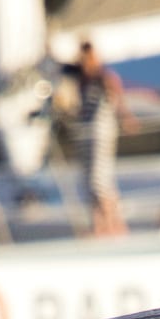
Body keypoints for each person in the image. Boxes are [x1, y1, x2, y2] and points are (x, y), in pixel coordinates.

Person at [67, 41, 135, 237]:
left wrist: (126, 118)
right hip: (86, 133)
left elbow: (118, 100)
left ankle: (114, 224)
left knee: (100, 178)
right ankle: (98, 225)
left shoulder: (104, 77)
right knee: (89, 179)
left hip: (101, 132)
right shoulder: (81, 80)